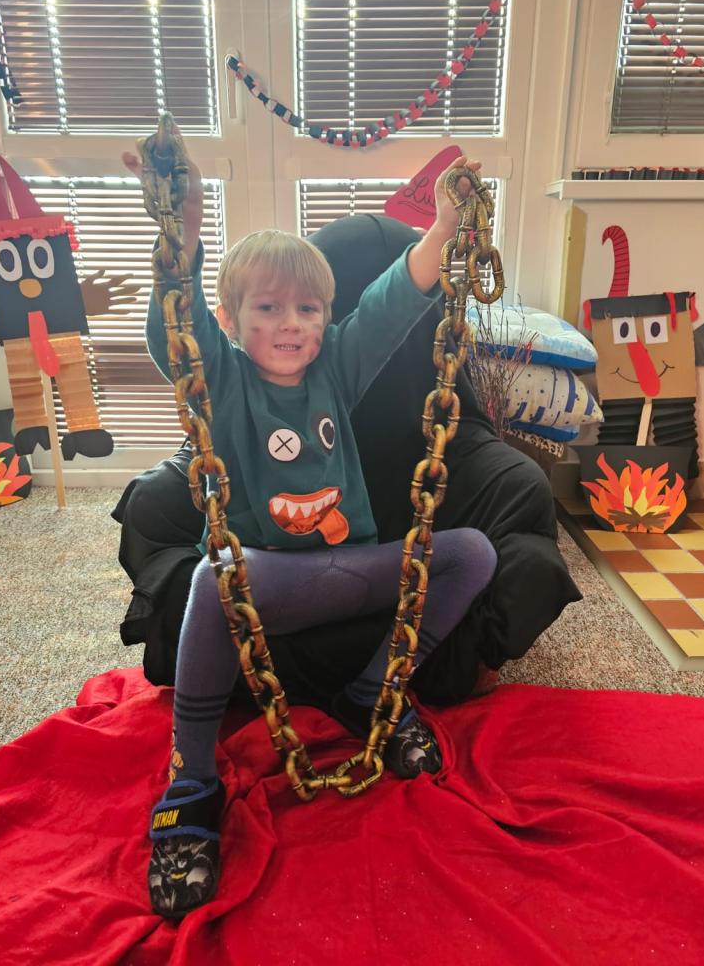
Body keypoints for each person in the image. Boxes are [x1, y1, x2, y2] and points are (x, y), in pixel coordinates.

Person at [129, 137, 499, 918]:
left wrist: (443, 227)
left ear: (326, 319)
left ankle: (373, 692)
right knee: (213, 578)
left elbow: (392, 303)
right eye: (268, 308)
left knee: (472, 553)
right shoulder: (224, 378)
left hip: (353, 568)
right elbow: (175, 332)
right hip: (264, 584)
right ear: (233, 320)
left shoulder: (335, 367)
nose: (290, 324)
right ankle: (191, 780)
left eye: (307, 308)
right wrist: (182, 233)